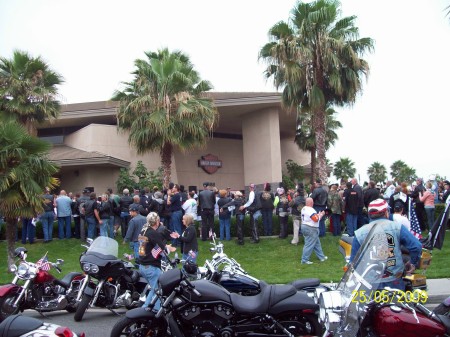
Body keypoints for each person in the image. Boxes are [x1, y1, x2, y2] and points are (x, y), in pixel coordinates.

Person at [349, 199, 422, 291]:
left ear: (369, 214)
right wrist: (412, 263)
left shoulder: (360, 233)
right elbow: (416, 246)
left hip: (369, 283)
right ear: (386, 212)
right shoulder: (396, 227)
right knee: (396, 304)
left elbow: (353, 262)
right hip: (394, 280)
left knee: (370, 305)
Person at [138, 212, 177, 310]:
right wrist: (169, 248)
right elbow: (162, 249)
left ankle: (149, 309)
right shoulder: (153, 233)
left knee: (154, 289)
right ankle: (148, 310)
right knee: (159, 290)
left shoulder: (143, 230)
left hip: (142, 265)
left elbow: (149, 247)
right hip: (151, 267)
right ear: (157, 221)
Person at [300, 197, 327, 264]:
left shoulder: (304, 208)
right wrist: (321, 215)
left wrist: (317, 215)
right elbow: (316, 219)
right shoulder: (311, 210)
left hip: (305, 226)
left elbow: (312, 217)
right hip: (311, 228)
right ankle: (304, 260)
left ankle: (321, 257)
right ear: (311, 203)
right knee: (309, 244)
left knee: (317, 243)